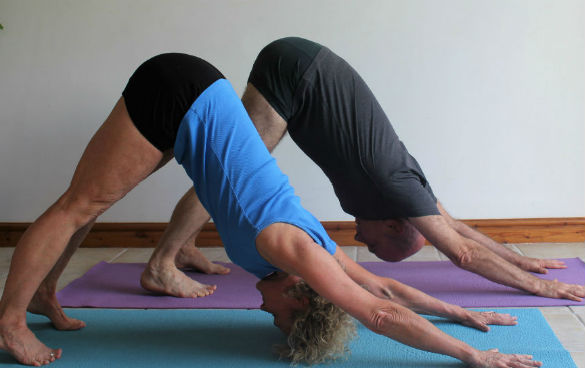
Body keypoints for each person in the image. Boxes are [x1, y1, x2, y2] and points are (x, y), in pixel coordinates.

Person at [0, 53, 541, 368]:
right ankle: (9, 323)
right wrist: (474, 357)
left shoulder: (315, 256)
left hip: (194, 106)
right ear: (301, 292)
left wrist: (464, 315)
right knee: (80, 204)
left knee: (91, 201)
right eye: (282, 317)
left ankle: (46, 294)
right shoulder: (292, 247)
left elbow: (389, 290)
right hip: (183, 93)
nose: (266, 314)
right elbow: (378, 313)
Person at [141, 37, 585, 305]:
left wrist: (521, 257)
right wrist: (537, 286)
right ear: (396, 223)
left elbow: (456, 228)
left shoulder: (407, 191)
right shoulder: (396, 186)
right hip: (297, 71)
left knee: (231, 171)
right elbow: (462, 253)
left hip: (304, 68)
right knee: (231, 172)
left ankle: (183, 247)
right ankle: (163, 262)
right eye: (374, 243)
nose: (357, 239)